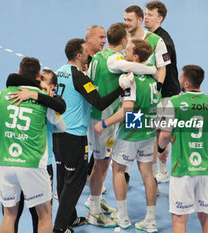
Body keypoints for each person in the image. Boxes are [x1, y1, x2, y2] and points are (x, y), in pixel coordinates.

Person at [52, 38, 134, 233]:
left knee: (63, 178)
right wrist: (120, 88)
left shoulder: (59, 71)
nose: (88, 54)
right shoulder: (79, 77)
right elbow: (99, 102)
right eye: (85, 52)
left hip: (57, 133)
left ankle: (70, 218)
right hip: (74, 136)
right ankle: (59, 227)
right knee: (75, 182)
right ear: (79, 55)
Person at [85, 23, 157, 228]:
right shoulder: (115, 61)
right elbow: (129, 66)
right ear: (124, 40)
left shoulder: (98, 56)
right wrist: (153, 69)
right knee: (101, 163)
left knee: (104, 162)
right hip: (102, 118)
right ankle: (94, 209)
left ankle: (95, 200)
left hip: (102, 116)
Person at [0, 57, 65, 233]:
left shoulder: (2, 95)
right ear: (38, 76)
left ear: (19, 72)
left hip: (6, 161)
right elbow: (61, 126)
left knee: (9, 215)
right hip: (32, 163)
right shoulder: (43, 101)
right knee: (44, 214)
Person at [157, 65, 208, 233]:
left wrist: (161, 150)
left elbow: (165, 135)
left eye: (181, 78)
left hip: (182, 170)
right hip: (205, 170)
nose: (179, 80)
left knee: (179, 220)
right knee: (207, 217)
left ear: (187, 83)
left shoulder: (175, 102)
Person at [124, 4, 171, 190]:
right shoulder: (123, 39)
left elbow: (162, 67)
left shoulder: (156, 40)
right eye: (125, 19)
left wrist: (158, 87)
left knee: (148, 140)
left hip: (147, 104)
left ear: (139, 20)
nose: (126, 23)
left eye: (129, 20)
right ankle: (125, 175)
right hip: (128, 102)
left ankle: (152, 180)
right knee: (129, 139)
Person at [145, 0, 181, 183]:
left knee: (161, 133)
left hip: (167, 93)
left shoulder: (164, 42)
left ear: (160, 18)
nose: (146, 17)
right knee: (154, 132)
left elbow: (162, 72)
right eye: (145, 13)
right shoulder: (148, 36)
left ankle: (161, 171)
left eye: (150, 15)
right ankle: (156, 171)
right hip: (155, 93)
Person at [85, 25, 107, 180]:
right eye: (101, 37)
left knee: (100, 147)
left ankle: (90, 176)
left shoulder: (102, 58)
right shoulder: (82, 58)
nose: (104, 41)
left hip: (98, 111)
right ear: (89, 39)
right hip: (84, 113)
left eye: (105, 37)